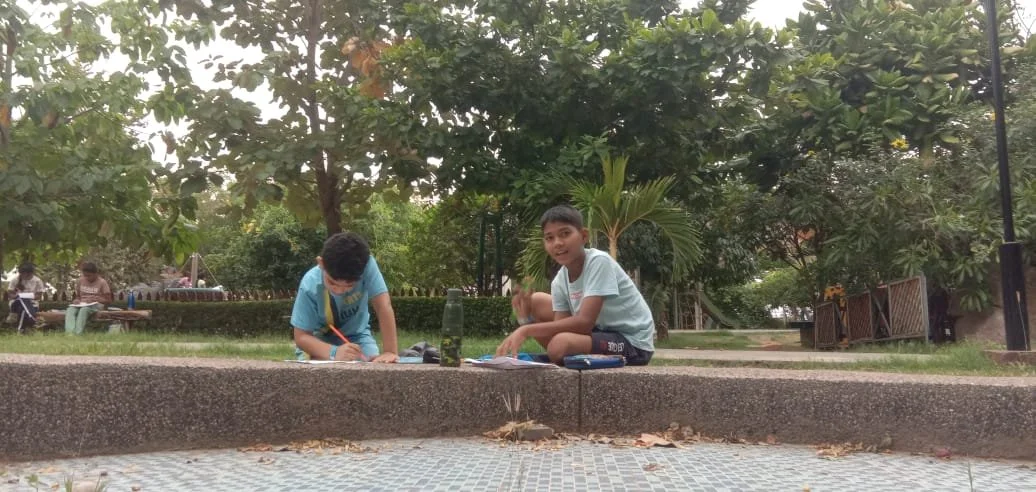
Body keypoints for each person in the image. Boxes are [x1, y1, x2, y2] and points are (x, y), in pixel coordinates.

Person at [495, 204, 655, 365]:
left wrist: (527, 330)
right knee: (536, 302)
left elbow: (584, 323)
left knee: (561, 345)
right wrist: (526, 320)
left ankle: (589, 355)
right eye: (549, 238)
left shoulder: (599, 261)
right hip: (599, 333)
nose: (557, 243)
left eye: (565, 234)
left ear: (584, 236)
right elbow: (560, 330)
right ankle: (582, 356)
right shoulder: (560, 281)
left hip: (632, 341)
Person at [291, 232, 400, 363]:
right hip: (316, 341)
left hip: (357, 337)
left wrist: (390, 351)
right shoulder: (309, 285)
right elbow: (301, 336)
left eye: (349, 286)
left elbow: (383, 306)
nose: (339, 291)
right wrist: (334, 353)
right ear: (321, 263)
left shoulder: (367, 265)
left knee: (372, 364)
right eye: (332, 282)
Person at [65, 262, 113, 335]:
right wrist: (76, 300)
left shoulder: (102, 282)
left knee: (84, 310)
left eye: (89, 276)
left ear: (95, 274)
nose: (87, 278)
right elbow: (78, 296)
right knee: (70, 310)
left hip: (96, 304)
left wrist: (96, 299)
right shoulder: (80, 281)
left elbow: (108, 300)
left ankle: (78, 333)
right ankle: (70, 334)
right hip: (82, 303)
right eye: (85, 276)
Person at [6, 263, 47, 333]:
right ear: (21, 273)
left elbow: (39, 296)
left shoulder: (37, 281)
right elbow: (10, 294)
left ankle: (20, 329)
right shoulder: (15, 280)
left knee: (23, 310)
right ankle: (35, 320)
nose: (25, 276)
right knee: (21, 299)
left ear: (31, 273)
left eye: (28, 275)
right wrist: (16, 296)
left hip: (32, 304)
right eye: (23, 274)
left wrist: (29, 296)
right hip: (15, 303)